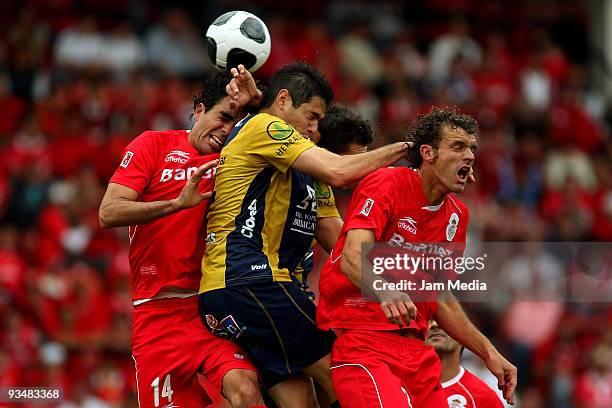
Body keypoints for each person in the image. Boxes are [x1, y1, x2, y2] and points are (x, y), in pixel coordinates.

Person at [198, 61, 411, 408]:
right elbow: (339, 170)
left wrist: (400, 280)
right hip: (250, 281)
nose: (315, 129)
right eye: (311, 117)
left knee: (302, 402)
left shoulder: (305, 175)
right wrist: (406, 149)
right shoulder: (263, 126)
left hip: (249, 290)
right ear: (282, 101)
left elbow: (342, 243)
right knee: (346, 370)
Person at [317, 106, 517, 407]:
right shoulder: (388, 183)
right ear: (428, 153)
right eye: (458, 146)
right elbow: (351, 256)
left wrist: (488, 352)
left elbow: (438, 297)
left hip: (418, 357)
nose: (470, 156)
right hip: (364, 343)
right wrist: (384, 289)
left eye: (472, 149)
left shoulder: (457, 217)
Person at [98, 70, 265, 408]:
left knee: (246, 390)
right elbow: (108, 212)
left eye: (234, 123)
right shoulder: (152, 144)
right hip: (156, 317)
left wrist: (258, 103)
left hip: (209, 311)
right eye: (222, 117)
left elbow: (276, 133)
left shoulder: (231, 160)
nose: (226, 130)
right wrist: (176, 204)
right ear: (199, 110)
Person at [293, 103, 375, 295]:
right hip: (269, 284)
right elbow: (347, 251)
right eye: (356, 162)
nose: (365, 170)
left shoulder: (321, 186)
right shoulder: (300, 177)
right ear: (329, 157)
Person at [426, 320, 505, 408]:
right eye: (429, 320)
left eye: (444, 319)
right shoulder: (407, 386)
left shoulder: (484, 398)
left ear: (464, 338)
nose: (434, 324)